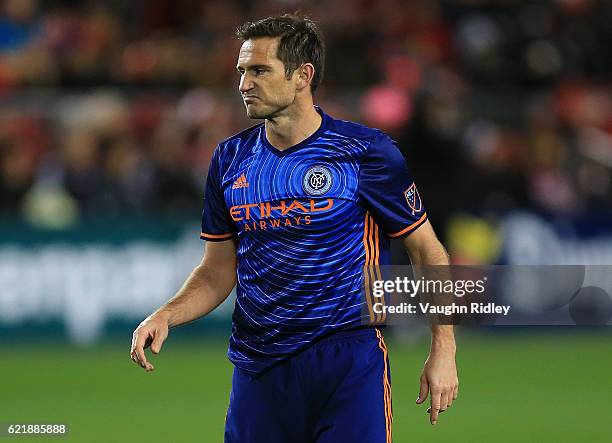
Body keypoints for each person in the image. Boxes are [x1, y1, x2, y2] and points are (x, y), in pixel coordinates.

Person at [130, 14, 458, 443]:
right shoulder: (229, 160)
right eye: (242, 71)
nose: (245, 83)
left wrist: (443, 349)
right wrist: (167, 314)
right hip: (259, 368)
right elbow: (216, 271)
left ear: (303, 75)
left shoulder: (366, 153)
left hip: (347, 360)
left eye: (260, 70)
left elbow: (427, 251)